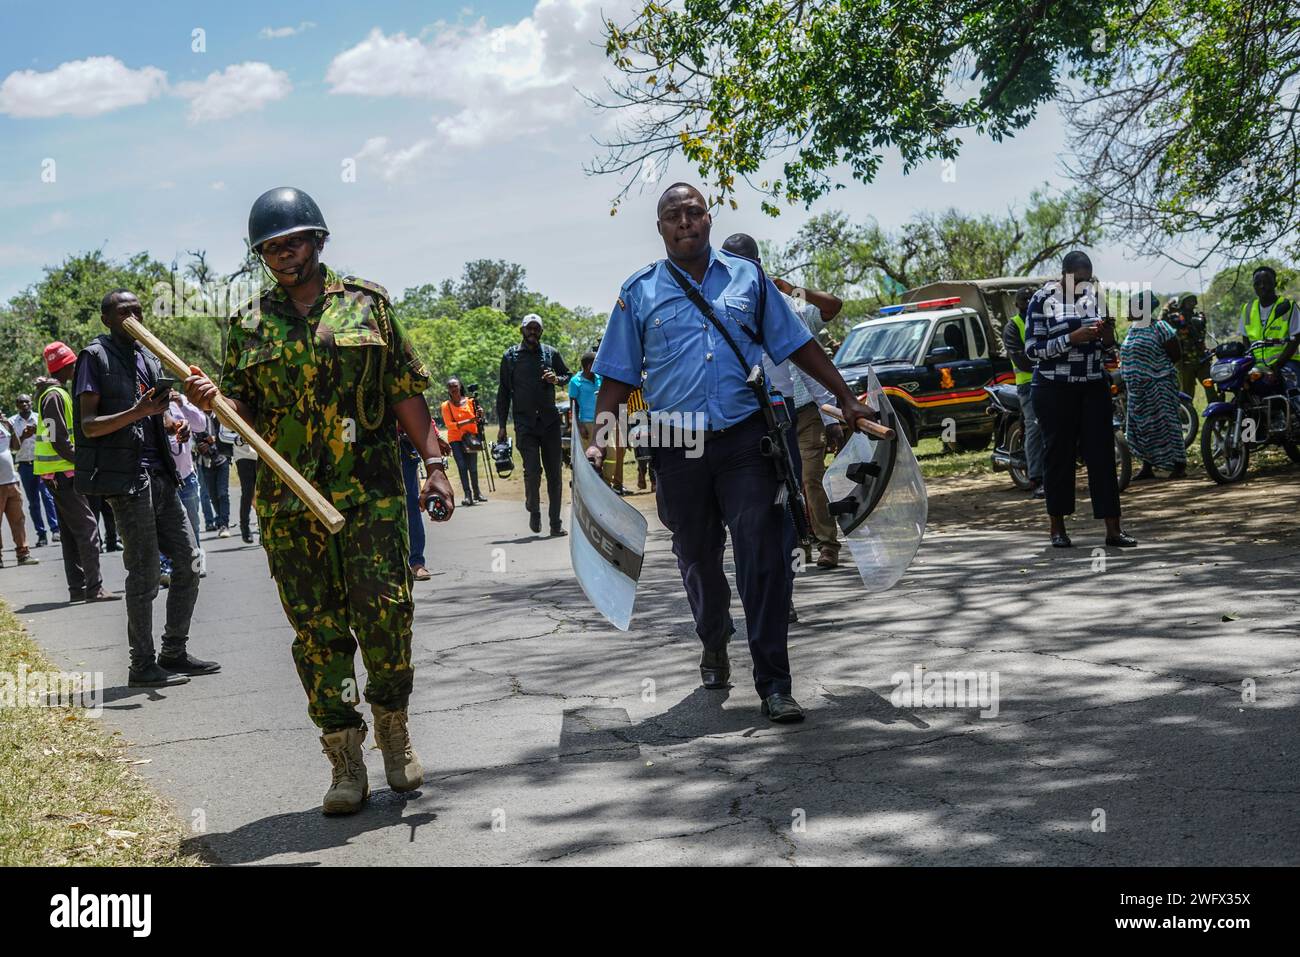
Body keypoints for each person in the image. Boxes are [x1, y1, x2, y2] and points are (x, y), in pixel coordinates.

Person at [184, 186, 456, 816]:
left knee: (386, 618)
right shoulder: (247, 323)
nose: (284, 255)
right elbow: (246, 415)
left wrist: (435, 465)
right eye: (271, 248)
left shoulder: (370, 306)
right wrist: (214, 403)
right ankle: (344, 756)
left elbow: (404, 391)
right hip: (289, 506)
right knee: (318, 634)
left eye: (294, 242)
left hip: (372, 498)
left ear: (318, 240)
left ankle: (394, 734)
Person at [589, 183, 877, 723]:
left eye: (694, 212)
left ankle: (774, 682)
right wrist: (599, 437)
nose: (685, 222)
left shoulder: (750, 279)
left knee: (763, 554)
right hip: (678, 444)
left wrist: (845, 397)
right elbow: (617, 375)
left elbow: (797, 344)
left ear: (708, 219)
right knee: (697, 558)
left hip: (748, 437)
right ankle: (714, 633)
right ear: (660, 228)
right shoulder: (639, 292)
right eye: (673, 216)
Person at [75, 290, 218, 688]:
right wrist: (139, 412)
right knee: (146, 573)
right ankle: (142, 663)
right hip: (127, 480)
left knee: (190, 562)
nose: (134, 317)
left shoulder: (148, 357)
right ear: (107, 319)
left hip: (163, 477)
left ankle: (174, 651)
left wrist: (172, 424)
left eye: (138, 310)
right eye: (124, 312)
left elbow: (154, 412)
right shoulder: (94, 357)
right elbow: (89, 425)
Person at [718, 232, 845, 569]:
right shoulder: (719, 306)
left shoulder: (783, 304)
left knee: (804, 481)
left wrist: (830, 417)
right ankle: (790, 555)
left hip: (793, 414)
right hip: (746, 417)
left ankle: (824, 544)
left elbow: (808, 365)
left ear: (758, 265)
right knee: (765, 494)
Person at [1024, 251, 1136, 549]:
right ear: (1064, 275)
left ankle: (1113, 529)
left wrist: (1108, 334)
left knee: (1102, 456)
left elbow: (1110, 350)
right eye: (1079, 279)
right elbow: (1033, 351)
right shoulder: (1041, 300)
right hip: (1054, 390)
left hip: (1092, 386)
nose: (1084, 284)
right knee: (1058, 456)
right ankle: (1057, 528)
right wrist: (1072, 338)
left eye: (1088, 279)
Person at [34, 343, 117, 604]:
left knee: (71, 534)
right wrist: (82, 462)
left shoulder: (53, 394)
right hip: (64, 474)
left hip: (58, 475)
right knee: (88, 527)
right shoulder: (55, 395)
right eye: (73, 364)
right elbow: (59, 439)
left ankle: (77, 587)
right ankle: (94, 588)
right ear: (67, 365)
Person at [496, 314, 571, 535]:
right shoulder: (510, 357)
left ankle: (555, 524)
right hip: (524, 423)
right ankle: (534, 510)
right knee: (533, 471)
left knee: (554, 474)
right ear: (522, 330)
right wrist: (501, 425)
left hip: (549, 423)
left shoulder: (550, 353)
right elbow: (503, 393)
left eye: (536, 328)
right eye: (529, 328)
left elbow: (567, 374)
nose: (533, 332)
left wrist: (556, 379)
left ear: (541, 331)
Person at [1120, 291, 1186, 480]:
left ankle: (1179, 465)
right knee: (1141, 426)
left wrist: (1155, 372)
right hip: (1135, 388)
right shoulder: (1133, 329)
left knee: (1168, 424)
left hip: (1159, 386)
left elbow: (1175, 354)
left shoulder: (1160, 327)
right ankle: (1147, 466)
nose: (1129, 309)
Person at [159, 393, 209, 586]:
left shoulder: (180, 403)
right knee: (163, 527)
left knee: (192, 525)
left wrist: (181, 403)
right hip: (162, 479)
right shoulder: (151, 406)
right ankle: (166, 568)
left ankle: (195, 566)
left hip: (186, 478)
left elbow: (201, 424)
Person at [1002, 286, 1047, 498]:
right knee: (1035, 426)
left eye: (1032, 298)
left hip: (1050, 380)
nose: (1028, 302)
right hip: (1028, 384)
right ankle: (1037, 478)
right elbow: (1020, 357)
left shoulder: (1044, 321)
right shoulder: (1013, 326)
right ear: (1017, 304)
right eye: (1024, 299)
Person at [1239, 265, 1300, 396]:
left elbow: (1296, 338)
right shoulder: (1247, 309)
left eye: (1266, 282)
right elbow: (1245, 339)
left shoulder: (1288, 306)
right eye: (1257, 283)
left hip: (1286, 362)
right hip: (1258, 364)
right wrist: (1250, 361)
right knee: (1241, 387)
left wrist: (1277, 365)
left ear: (1274, 283)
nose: (1262, 286)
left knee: (1292, 392)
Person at [9, 393, 60, 547]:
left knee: (48, 497)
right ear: (16, 405)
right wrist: (23, 436)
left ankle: (55, 530)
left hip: (42, 463)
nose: (24, 405)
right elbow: (13, 448)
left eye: (26, 402)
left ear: (31, 403)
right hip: (25, 465)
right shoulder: (12, 422)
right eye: (20, 402)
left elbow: (49, 440)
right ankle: (41, 534)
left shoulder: (40, 418)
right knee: (33, 502)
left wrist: (38, 431)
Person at [0, 416, 39, 568]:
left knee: (18, 520)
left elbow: (15, 447)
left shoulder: (4, 425)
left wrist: (12, 428)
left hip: (11, 481)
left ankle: (23, 554)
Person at [441, 377, 486, 507]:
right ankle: (468, 495)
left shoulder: (472, 402)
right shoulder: (446, 406)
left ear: (460, 386)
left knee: (472, 467)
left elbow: (479, 420)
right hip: (455, 439)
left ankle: (477, 493)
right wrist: (468, 421)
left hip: (471, 438)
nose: (453, 389)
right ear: (448, 389)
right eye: (450, 387)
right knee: (462, 466)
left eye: (455, 386)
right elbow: (450, 425)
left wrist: (481, 414)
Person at [195, 413, 233, 537]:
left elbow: (229, 434)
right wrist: (198, 447)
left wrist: (214, 440)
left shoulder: (220, 416)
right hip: (205, 463)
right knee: (213, 496)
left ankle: (224, 524)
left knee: (223, 493)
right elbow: (189, 441)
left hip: (222, 459)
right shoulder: (195, 417)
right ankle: (220, 520)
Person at [1172, 294, 1210, 403]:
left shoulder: (1198, 318)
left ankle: (1217, 417)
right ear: (1182, 304)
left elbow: (1201, 335)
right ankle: (1188, 418)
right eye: (1188, 301)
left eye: (1193, 301)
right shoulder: (1176, 319)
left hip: (1202, 360)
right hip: (1185, 363)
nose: (1191, 304)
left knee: (1210, 388)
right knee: (1186, 394)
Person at [568, 354, 600, 453]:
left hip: (602, 421)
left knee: (609, 455)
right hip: (587, 423)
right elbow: (573, 406)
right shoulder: (575, 382)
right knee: (590, 455)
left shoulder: (600, 378)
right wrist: (579, 425)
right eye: (597, 363)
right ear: (590, 366)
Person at [232, 432, 258, 544]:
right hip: (243, 455)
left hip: (262, 454)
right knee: (248, 492)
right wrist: (241, 439)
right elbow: (223, 434)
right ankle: (245, 527)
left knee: (262, 492)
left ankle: (262, 527)